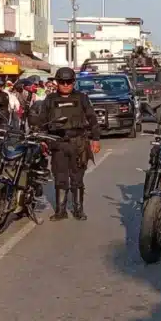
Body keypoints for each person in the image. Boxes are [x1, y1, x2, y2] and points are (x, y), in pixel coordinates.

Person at [29, 67, 101, 220]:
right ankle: (60, 211)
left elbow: (92, 118)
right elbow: (42, 121)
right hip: (58, 144)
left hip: (79, 144)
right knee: (60, 178)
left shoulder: (82, 98)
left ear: (74, 82)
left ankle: (78, 210)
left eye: (69, 82)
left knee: (77, 179)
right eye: (62, 82)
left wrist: (96, 139)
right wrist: (42, 139)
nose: (66, 85)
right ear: (57, 82)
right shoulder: (50, 99)